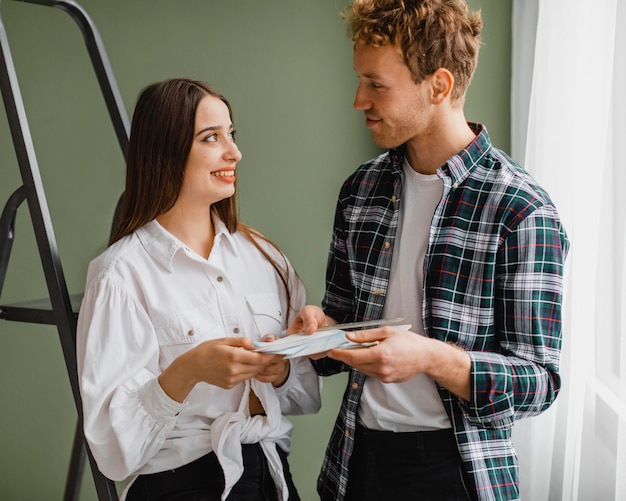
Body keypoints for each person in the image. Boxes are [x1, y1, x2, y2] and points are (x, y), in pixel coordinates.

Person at [288, 1, 570, 500]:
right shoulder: (360, 190)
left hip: (457, 474)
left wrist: (430, 358)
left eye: (377, 84)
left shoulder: (522, 210)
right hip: (357, 463)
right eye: (360, 80)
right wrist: (322, 332)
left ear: (438, 86)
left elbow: (539, 383)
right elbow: (346, 327)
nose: (359, 99)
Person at [76, 78, 321, 501]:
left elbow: (306, 395)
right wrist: (187, 372)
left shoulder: (265, 258)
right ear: (166, 150)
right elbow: (112, 452)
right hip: (179, 484)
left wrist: (279, 370)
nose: (234, 152)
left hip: (273, 477)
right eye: (211, 138)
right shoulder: (119, 275)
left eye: (232, 134)